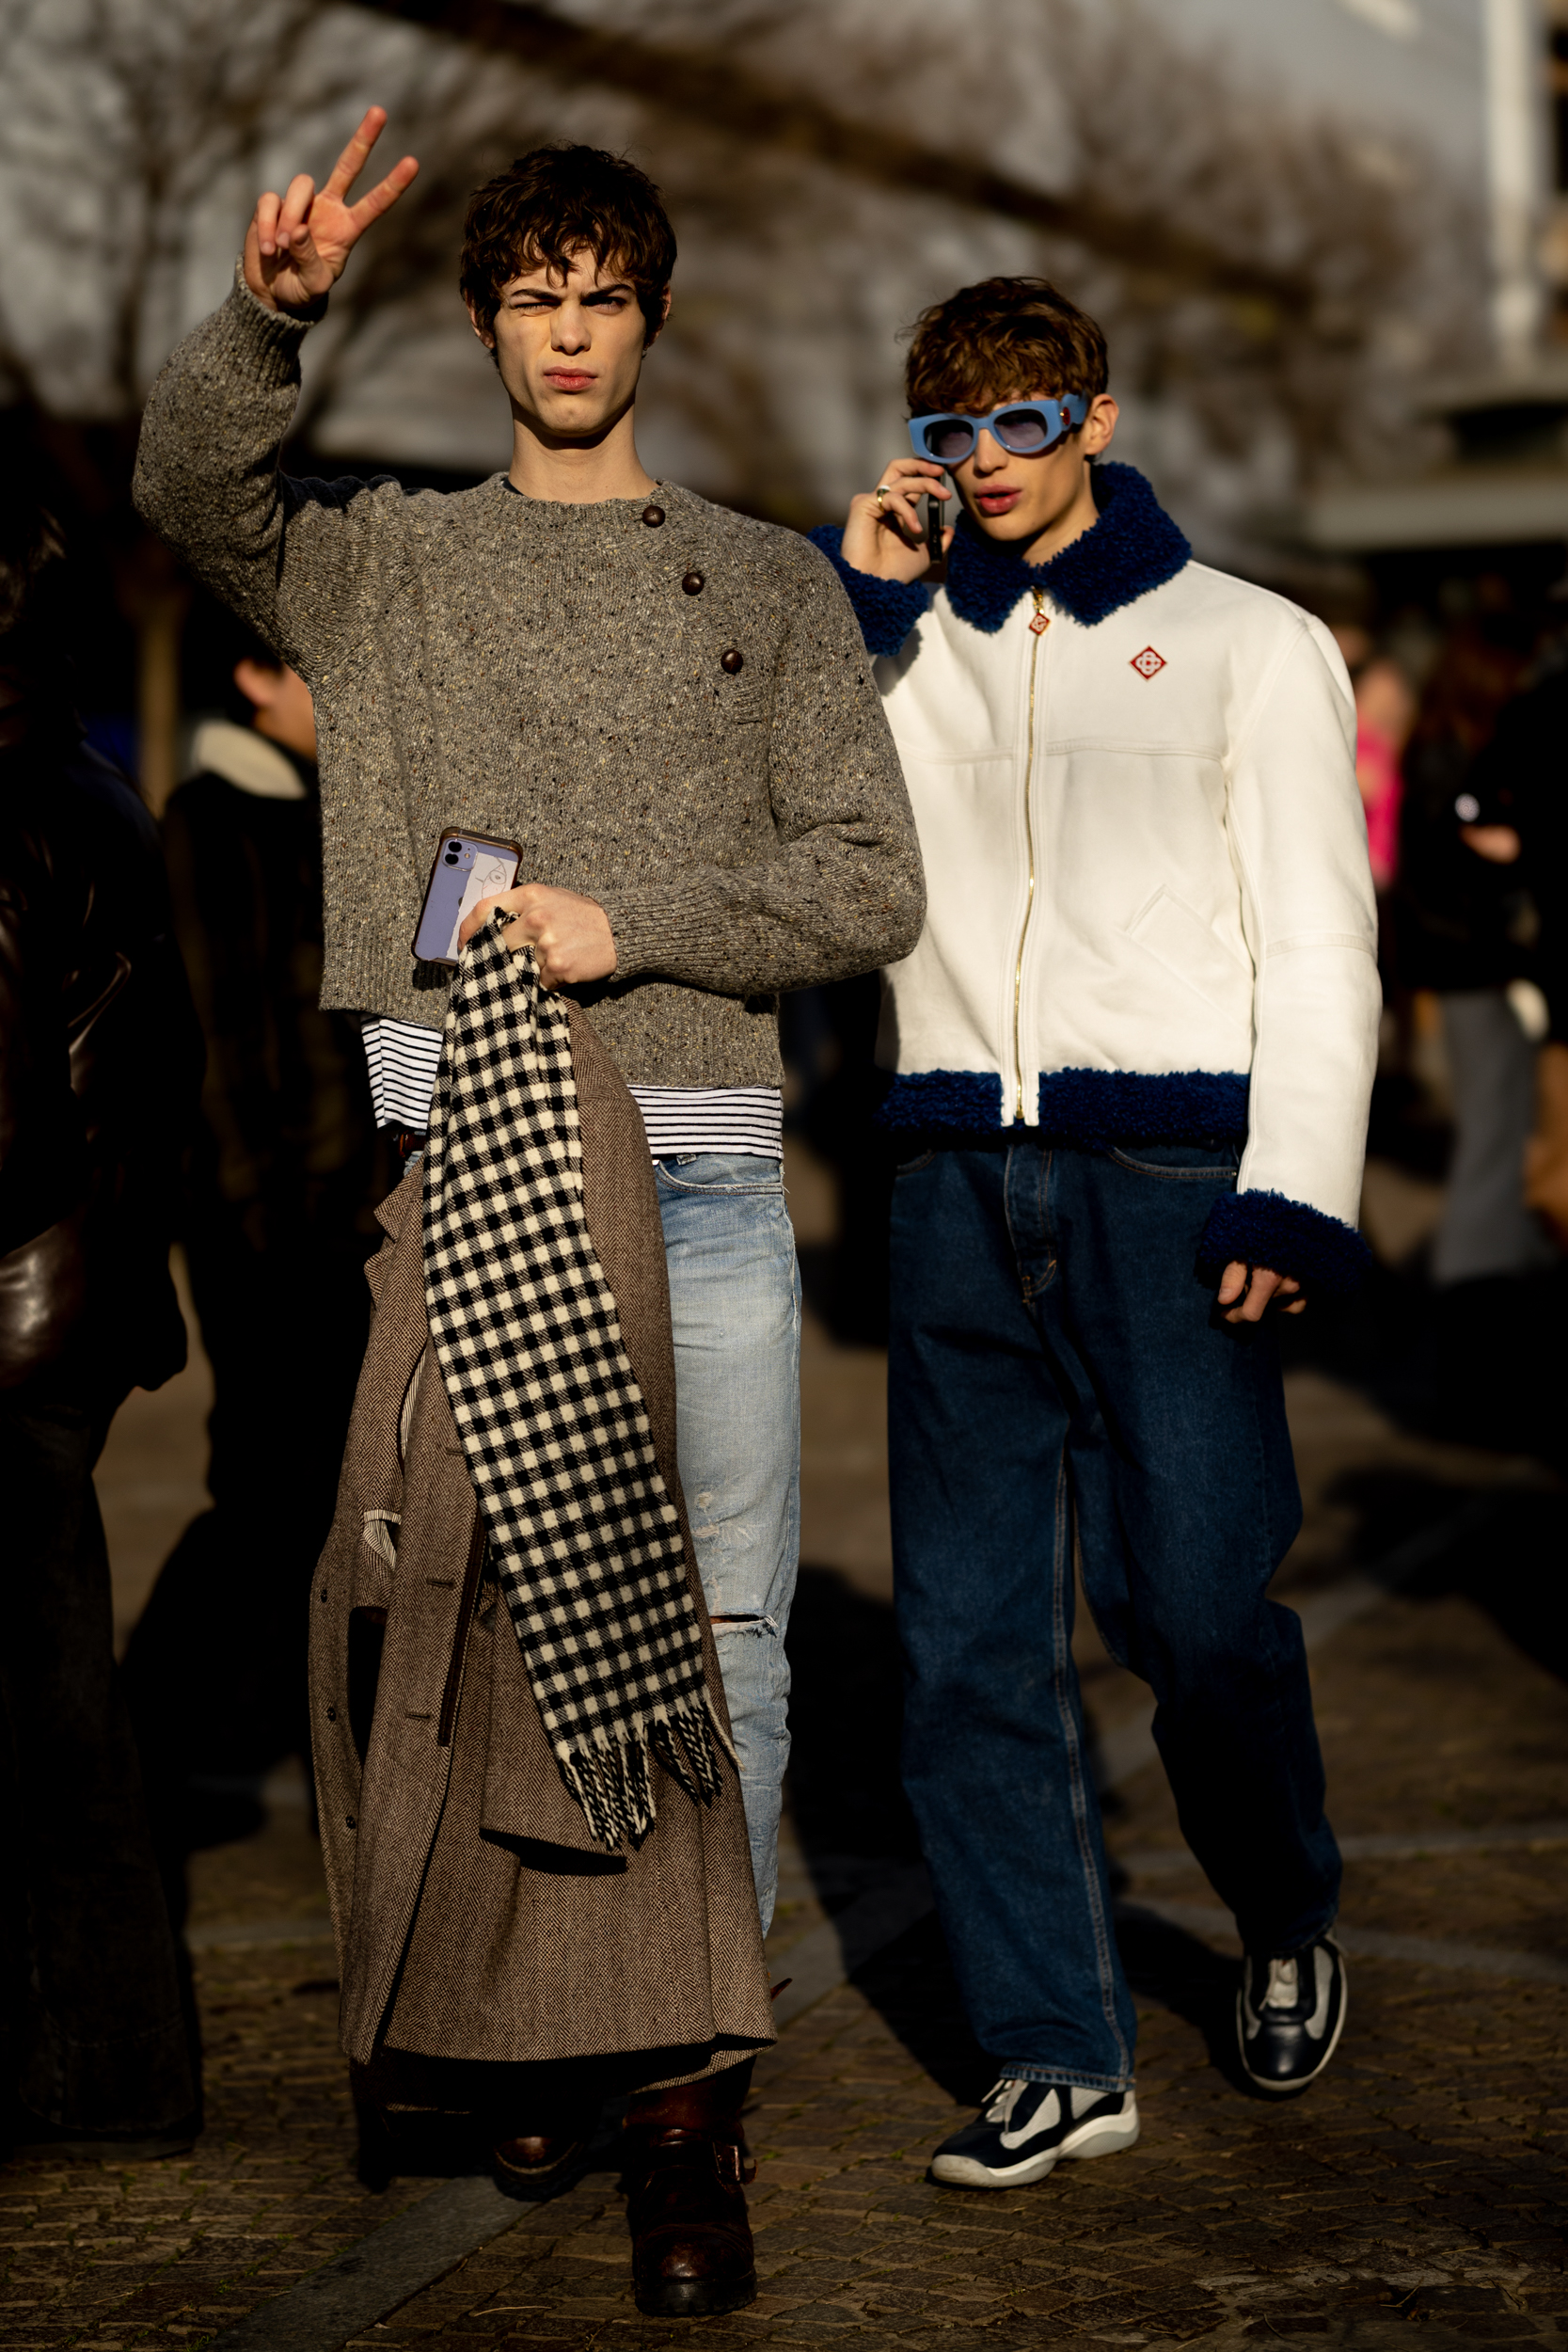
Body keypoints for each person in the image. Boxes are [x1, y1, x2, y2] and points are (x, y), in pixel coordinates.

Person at [133, 118, 922, 2312]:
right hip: (458, 1155)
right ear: (489, 325)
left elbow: (873, 882)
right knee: (468, 1616)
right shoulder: (379, 565)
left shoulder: (766, 581)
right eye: (534, 298)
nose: (571, 333)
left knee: (726, 1636)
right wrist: (269, 312)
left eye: (605, 296)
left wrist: (626, 917)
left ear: (648, 318)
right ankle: (523, 2023)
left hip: (695, 1152)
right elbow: (186, 489)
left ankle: (693, 2083)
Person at [812, 274, 1379, 2185]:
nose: (987, 465)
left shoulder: (1254, 644)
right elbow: (782, 796)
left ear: (1099, 423)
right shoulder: (896, 650)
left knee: (1198, 1612)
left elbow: (1320, 939)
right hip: (950, 1181)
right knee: (969, 1645)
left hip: (1173, 1188)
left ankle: (1286, 1903)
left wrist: (1297, 1179)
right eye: (954, 432)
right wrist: (865, 597)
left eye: (1025, 424)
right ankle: (1056, 2043)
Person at [122, 634, 395, 1889]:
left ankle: (356, 1752)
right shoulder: (207, 823)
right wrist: (266, 1228)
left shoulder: (332, 812)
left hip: (351, 1223)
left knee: (338, 1493)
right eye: (326, 673)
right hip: (269, 1234)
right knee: (274, 1496)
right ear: (255, 681)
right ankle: (135, 1741)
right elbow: (224, 1054)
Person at [0, 482, 201, 2157]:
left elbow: (5, 1126)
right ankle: (118, 2073)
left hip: (8, 1324)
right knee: (59, 1704)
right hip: (72, 1309)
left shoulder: (0, 810)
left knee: (51, 1721)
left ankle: (92, 2077)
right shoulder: (91, 788)